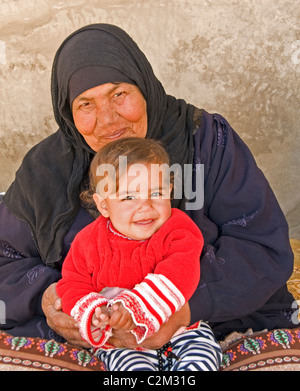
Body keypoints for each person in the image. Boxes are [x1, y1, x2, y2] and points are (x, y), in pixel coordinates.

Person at [0, 24, 296, 351]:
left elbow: (260, 244)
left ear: (144, 86)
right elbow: (6, 255)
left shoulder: (207, 140)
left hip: (211, 322)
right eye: (86, 104)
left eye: (119, 94)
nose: (109, 120)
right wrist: (50, 298)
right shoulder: (45, 169)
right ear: (67, 112)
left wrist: (182, 310)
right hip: (93, 331)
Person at [56, 137, 222, 371]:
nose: (145, 206)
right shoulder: (87, 241)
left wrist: (135, 309)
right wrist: (97, 313)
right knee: (129, 369)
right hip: (122, 341)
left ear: (170, 192)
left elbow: (180, 271)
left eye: (156, 193)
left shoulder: (179, 229)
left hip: (180, 331)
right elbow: (73, 283)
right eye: (129, 197)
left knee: (202, 360)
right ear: (104, 205)